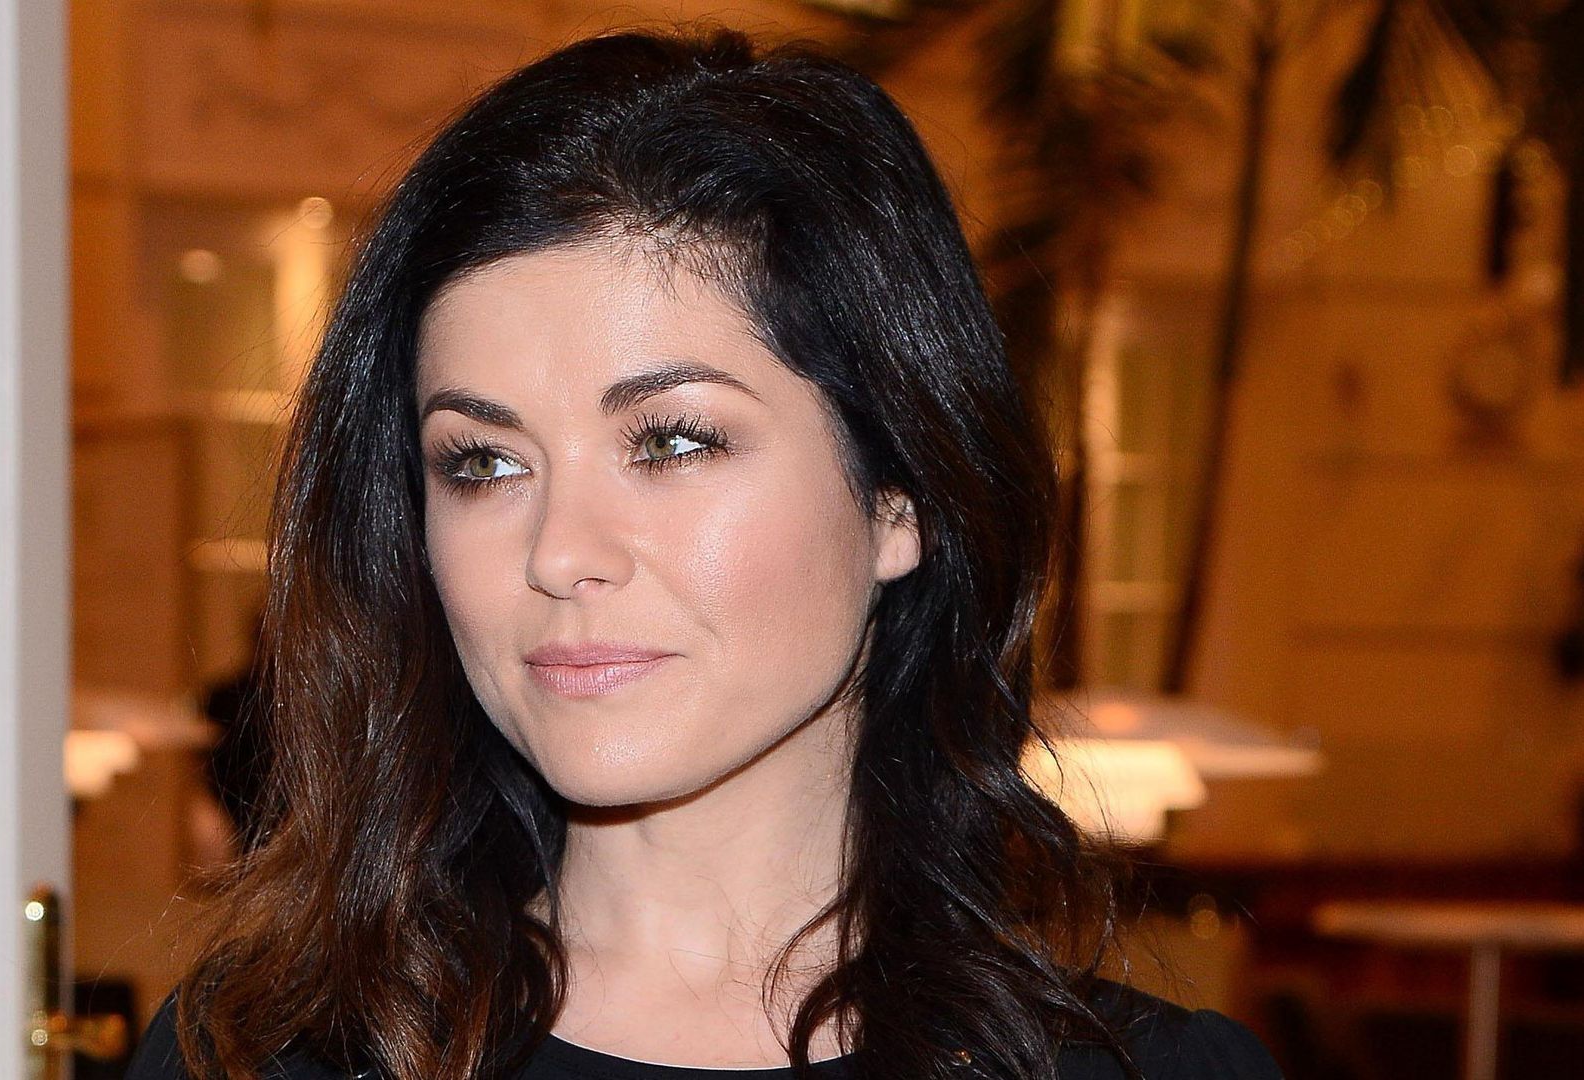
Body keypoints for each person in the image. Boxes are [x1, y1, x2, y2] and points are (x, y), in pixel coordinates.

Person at [126, 22, 1284, 1080]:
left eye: (672, 442)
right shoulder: (250, 1057)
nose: (558, 554)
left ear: (900, 496)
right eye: (482, 462)